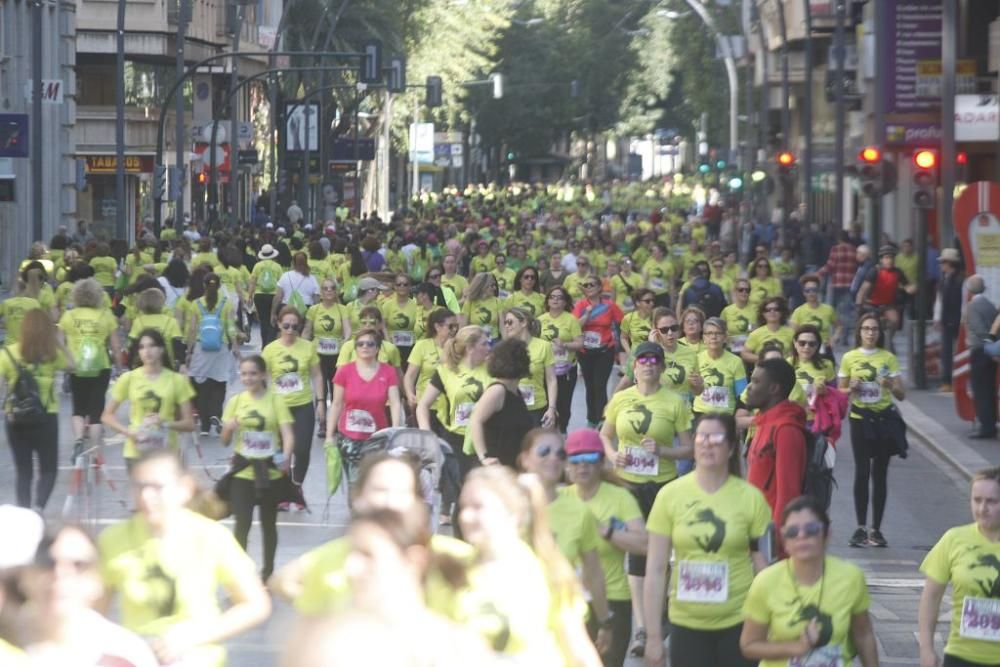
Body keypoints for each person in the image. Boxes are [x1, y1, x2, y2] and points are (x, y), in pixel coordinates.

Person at [98, 450, 272, 666]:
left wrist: (194, 636)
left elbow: (255, 604)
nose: (146, 496)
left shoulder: (211, 536)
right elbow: (93, 615)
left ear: (184, 488)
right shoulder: (112, 540)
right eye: (139, 487)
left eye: (157, 487)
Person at [269, 452, 474, 617]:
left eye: (401, 491)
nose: (389, 500)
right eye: (379, 489)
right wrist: (325, 613)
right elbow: (281, 581)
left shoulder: (452, 556)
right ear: (358, 497)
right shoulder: (337, 554)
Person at [643, 413, 771, 667]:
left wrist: (772, 620)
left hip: (739, 621)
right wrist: (654, 637)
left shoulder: (752, 498)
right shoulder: (670, 495)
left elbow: (764, 566)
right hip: (685, 623)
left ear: (732, 447)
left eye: (716, 438)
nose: (707, 443)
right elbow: (656, 569)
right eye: (701, 436)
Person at [600, 340, 693, 656]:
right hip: (628, 486)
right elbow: (604, 435)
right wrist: (613, 455)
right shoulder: (621, 399)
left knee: (663, 554)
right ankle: (643, 627)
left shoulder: (674, 402)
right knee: (638, 555)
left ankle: (659, 612)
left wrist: (664, 451)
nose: (649, 364)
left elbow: (689, 448)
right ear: (634, 366)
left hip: (663, 486)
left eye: (655, 359)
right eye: (643, 359)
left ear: (662, 366)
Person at [457, 467, 601, 666]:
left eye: (478, 507)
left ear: (513, 513)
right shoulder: (454, 565)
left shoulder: (547, 573)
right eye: (463, 507)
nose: (466, 516)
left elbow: (579, 649)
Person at [741, 496, 879, 667]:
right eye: (792, 532)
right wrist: (796, 648)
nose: (801, 536)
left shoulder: (851, 577)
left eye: (811, 529)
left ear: (827, 535)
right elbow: (750, 645)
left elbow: (863, 634)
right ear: (784, 541)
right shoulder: (766, 581)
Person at [518, 429, 613, 660]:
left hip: (562, 632)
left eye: (560, 453)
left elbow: (593, 574)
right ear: (525, 460)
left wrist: (605, 622)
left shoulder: (579, 511)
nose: (553, 458)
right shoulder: (504, 505)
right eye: (543, 451)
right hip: (515, 630)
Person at [561, 429, 648, 667]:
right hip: (569, 602)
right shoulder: (559, 499)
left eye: (590, 460)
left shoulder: (621, 498)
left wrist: (605, 531)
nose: (582, 467)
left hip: (613, 601)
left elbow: (644, 545)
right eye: (576, 461)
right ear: (567, 465)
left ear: (601, 462)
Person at [16, 524, 159, 666]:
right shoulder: (8, 644)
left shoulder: (125, 652)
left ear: (97, 580)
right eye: (48, 562)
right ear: (27, 576)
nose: (61, 574)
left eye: (78, 565)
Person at [219, 355, 295, 578]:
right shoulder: (235, 401)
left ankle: (268, 571)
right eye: (244, 374)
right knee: (242, 524)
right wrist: (229, 428)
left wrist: (287, 457)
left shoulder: (276, 401)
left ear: (263, 375)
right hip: (243, 471)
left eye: (253, 373)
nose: (248, 378)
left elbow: (287, 434)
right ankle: (240, 573)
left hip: (269, 471)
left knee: (268, 524)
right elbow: (224, 441)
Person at [918, 466, 1000, 667]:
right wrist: (926, 649)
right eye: (977, 500)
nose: (982, 509)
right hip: (961, 657)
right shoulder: (954, 539)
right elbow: (931, 597)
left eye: (991, 501)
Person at [838, 314, 907, 548]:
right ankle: (860, 528)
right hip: (860, 419)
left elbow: (901, 394)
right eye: (866, 328)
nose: (870, 333)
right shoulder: (849, 357)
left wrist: (890, 385)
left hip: (884, 420)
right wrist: (850, 388)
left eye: (874, 329)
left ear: (879, 333)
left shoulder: (888, 358)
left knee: (880, 474)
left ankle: (876, 529)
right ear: (859, 332)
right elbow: (840, 391)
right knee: (861, 472)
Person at [0, 309, 68, 510]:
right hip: (46, 417)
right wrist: (59, 343)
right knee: (48, 469)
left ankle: (24, 514)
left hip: (15, 418)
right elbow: (72, 365)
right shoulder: (52, 355)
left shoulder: (6, 354)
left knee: (23, 471)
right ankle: (39, 508)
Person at [102, 329, 196, 466]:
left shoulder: (177, 380)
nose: (147, 351)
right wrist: (128, 433)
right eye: (142, 347)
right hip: (136, 453)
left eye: (152, 346)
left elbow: (189, 424)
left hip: (166, 453)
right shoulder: (128, 378)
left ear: (162, 349)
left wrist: (164, 423)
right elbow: (107, 416)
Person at [263, 306, 325, 499]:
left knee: (302, 450)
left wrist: (321, 401)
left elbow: (316, 375)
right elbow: (263, 379)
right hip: (278, 407)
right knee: (281, 451)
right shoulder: (270, 349)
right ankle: (283, 488)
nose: (290, 329)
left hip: (303, 404)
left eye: (294, 326)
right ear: (279, 324)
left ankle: (296, 484)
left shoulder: (307, 347)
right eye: (286, 325)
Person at [327, 328, 403, 483]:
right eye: (360, 344)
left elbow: (395, 403)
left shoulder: (388, 372)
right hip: (349, 437)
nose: (365, 347)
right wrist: (329, 435)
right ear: (355, 348)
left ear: (377, 348)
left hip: (378, 436)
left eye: (370, 344)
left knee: (375, 482)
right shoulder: (345, 371)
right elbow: (336, 404)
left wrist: (395, 431)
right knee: (355, 483)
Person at [416, 325, 492, 477]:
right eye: (484, 344)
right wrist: (427, 435)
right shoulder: (445, 371)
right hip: (455, 439)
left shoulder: (492, 368)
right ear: (470, 347)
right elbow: (423, 406)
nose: (488, 348)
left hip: (486, 438)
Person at [744, 357, 808, 525]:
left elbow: (789, 494)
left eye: (756, 382)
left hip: (771, 537)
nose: (749, 387)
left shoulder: (786, 430)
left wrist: (777, 542)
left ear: (774, 388)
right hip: (754, 527)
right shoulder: (762, 422)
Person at [467, 337, 535, 468]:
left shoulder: (515, 391)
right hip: (497, 467)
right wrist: (484, 457)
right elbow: (475, 420)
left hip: (513, 465)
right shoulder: (497, 391)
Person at [185, 272, 239, 435]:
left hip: (201, 348)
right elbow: (230, 327)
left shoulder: (196, 304)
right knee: (219, 382)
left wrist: (189, 350)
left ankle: (205, 426)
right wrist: (235, 345)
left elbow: (192, 329)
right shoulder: (226, 303)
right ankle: (216, 413)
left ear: (204, 285)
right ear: (220, 285)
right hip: (221, 347)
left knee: (201, 386)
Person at [574, 274, 624, 428]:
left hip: (605, 351)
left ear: (600, 288)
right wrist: (587, 314)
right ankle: (592, 419)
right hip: (585, 352)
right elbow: (574, 326)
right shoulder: (581, 305)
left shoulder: (609, 306)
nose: (588, 287)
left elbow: (623, 323)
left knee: (599, 385)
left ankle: (603, 419)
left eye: (592, 285)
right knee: (590, 386)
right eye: (586, 285)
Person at [303, 278, 351, 415]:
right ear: (321, 293)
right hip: (318, 354)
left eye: (332, 288)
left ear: (336, 292)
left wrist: (345, 342)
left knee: (337, 388)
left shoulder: (342, 309)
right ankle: (322, 421)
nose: (329, 291)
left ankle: (337, 421)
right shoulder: (314, 309)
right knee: (321, 389)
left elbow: (347, 330)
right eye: (325, 288)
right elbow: (307, 331)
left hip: (337, 355)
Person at [539, 285, 584, 432]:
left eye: (559, 297)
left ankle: (563, 430)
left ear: (565, 302)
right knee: (547, 403)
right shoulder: (540, 320)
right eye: (552, 296)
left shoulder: (571, 320)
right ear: (547, 301)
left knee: (564, 404)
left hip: (565, 370)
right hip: (545, 369)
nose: (555, 300)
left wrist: (564, 345)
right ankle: (547, 432)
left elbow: (580, 344)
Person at [502, 307, 558, 426]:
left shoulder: (544, 346)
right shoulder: (505, 348)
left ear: (523, 322)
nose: (506, 326)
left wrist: (552, 408)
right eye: (505, 322)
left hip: (537, 409)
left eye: (510, 322)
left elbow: (551, 380)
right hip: (512, 409)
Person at [963, 275, 998, 439]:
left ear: (969, 289)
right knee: (990, 388)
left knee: (980, 390)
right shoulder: (990, 305)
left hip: (979, 350)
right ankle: (991, 423)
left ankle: (986, 426)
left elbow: (978, 329)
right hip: (991, 352)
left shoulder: (972, 306)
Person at [692, 317, 747, 417]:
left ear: (725, 337)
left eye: (718, 333)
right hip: (701, 414)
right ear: (704, 338)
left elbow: (742, 394)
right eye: (709, 333)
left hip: (726, 416)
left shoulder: (736, 361)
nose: (714, 337)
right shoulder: (696, 359)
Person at [934, 248, 964, 392]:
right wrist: (937, 318)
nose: (941, 265)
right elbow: (939, 301)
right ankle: (947, 381)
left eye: (943, 262)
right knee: (946, 351)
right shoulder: (944, 279)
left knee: (956, 351)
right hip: (947, 320)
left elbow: (962, 302)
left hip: (956, 319)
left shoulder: (959, 280)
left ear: (950, 263)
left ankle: (953, 381)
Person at [791, 273, 842, 357]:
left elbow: (839, 326)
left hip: (824, 349)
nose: (811, 293)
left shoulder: (828, 309)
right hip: (806, 350)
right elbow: (793, 334)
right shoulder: (798, 311)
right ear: (804, 292)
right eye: (807, 290)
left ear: (818, 291)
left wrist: (834, 339)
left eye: (814, 290)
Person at [742, 295, 796, 366]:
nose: (772, 312)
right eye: (768, 310)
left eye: (776, 309)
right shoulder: (756, 333)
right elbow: (745, 354)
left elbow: (796, 353)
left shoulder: (791, 333)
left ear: (782, 312)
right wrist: (763, 359)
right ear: (763, 314)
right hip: (763, 371)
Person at [271, 251, 320, 327]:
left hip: (286, 308)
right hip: (305, 309)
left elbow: (278, 297)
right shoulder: (311, 278)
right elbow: (316, 299)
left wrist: (273, 313)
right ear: (306, 262)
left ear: (293, 262)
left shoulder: (285, 275)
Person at [381, 273, 419, 365]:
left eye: (405, 284)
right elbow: (383, 326)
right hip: (392, 346)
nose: (402, 286)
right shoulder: (387, 305)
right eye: (399, 284)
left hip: (412, 347)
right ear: (395, 287)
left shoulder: (416, 305)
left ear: (410, 287)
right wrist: (388, 343)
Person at [249, 243, 283, 346]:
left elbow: (252, 282)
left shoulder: (257, 266)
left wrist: (250, 296)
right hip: (273, 295)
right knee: (273, 319)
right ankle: (271, 343)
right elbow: (281, 283)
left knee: (263, 321)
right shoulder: (277, 266)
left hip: (259, 295)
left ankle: (264, 344)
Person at [720, 278, 758, 357]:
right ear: (735, 292)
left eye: (747, 290)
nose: (744, 292)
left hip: (751, 351)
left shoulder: (756, 310)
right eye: (741, 290)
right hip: (731, 351)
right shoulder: (726, 311)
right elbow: (721, 331)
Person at [461, 272, 504, 341]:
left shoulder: (497, 301)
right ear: (483, 286)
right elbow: (463, 327)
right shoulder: (470, 302)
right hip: (475, 341)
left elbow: (502, 326)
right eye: (492, 285)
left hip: (493, 340)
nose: (495, 288)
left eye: (495, 285)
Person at [620, 289, 656, 360]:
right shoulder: (628, 318)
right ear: (637, 303)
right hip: (636, 357)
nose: (652, 303)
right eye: (647, 301)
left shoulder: (657, 317)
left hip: (654, 356)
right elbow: (623, 338)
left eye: (653, 301)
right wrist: (629, 353)